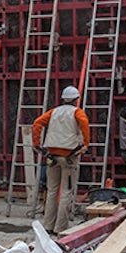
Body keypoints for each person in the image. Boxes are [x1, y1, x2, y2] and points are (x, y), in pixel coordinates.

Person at [32, 85, 90, 234]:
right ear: (76, 100)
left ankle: (48, 226)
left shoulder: (53, 112)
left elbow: (37, 123)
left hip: (52, 157)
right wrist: (86, 143)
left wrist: (37, 144)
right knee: (66, 192)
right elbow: (84, 125)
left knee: (52, 191)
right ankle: (61, 228)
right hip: (69, 158)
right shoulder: (77, 113)